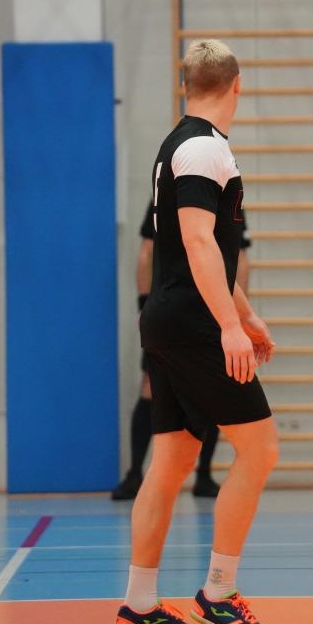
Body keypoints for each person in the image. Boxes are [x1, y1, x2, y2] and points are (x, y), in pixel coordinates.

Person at [113, 39, 278, 624]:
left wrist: (247, 315)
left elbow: (198, 254)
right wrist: (229, 327)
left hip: (170, 318)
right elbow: (199, 243)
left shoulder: (179, 144)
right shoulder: (206, 148)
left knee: (172, 462)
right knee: (259, 451)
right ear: (238, 84)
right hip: (194, 325)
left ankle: (138, 604)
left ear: (185, 85)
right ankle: (218, 594)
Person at [111, 205, 252, 501]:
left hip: (211, 312)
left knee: (213, 391)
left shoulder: (228, 197)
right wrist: (143, 304)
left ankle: (203, 475)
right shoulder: (169, 194)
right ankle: (136, 473)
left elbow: (238, 258)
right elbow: (147, 250)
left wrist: (240, 315)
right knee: (152, 386)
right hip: (172, 309)